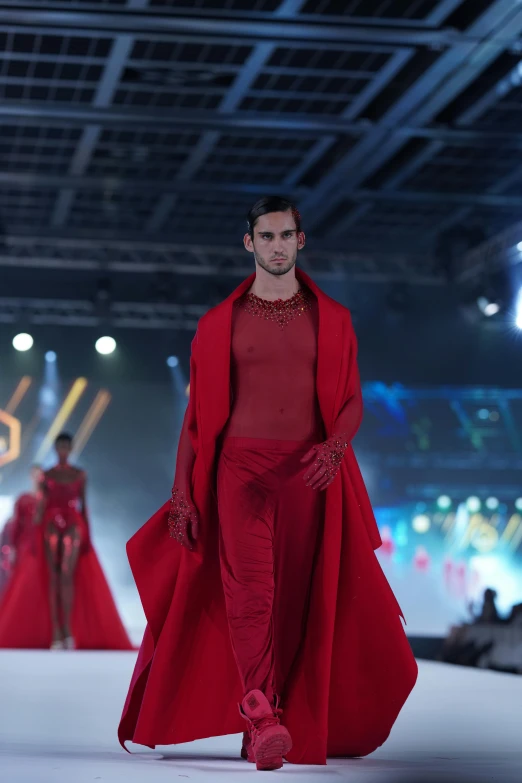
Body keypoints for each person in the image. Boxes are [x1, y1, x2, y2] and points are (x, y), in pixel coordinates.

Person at [119, 196, 417, 770]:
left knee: (299, 600)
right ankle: (261, 717)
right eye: (267, 236)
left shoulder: (333, 319)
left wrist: (335, 448)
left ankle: (281, 713)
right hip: (238, 471)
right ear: (249, 243)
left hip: (308, 473)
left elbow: (352, 399)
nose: (277, 245)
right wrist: (182, 493)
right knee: (249, 595)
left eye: (286, 236)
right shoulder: (217, 324)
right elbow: (197, 421)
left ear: (300, 242)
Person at [0, 433, 133, 651]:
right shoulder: (48, 475)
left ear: (70, 448)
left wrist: (88, 535)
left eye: (66, 446)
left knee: (66, 576)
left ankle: (68, 628)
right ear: (56, 449)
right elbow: (41, 509)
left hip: (73, 524)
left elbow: (83, 505)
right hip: (50, 525)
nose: (63, 449)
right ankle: (56, 630)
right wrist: (33, 535)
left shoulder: (79, 475)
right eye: (60, 446)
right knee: (54, 578)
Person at [0, 465, 43, 596]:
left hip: (41, 546)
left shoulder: (47, 501)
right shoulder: (23, 500)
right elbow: (16, 527)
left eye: (39, 475)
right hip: (24, 547)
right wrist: (13, 547)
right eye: (34, 474)